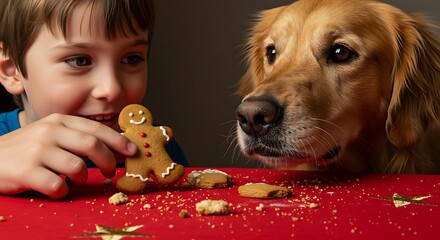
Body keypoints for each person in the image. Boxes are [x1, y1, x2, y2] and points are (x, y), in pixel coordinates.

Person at [0, 0, 188, 200]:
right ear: (11, 70)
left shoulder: (160, 148)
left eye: (132, 59)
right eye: (80, 61)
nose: (112, 89)